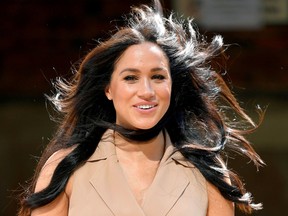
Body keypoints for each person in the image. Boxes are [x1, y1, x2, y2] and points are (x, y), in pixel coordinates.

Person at [18, 0, 264, 215]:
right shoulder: (65, 167)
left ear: (172, 86)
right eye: (130, 78)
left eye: (158, 77)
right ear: (108, 89)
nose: (146, 91)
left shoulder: (208, 173)